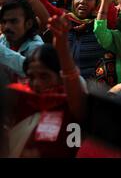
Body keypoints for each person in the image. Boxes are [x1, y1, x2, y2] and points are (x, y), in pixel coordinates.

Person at [6, 13, 86, 157]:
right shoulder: (20, 99)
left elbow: (72, 80)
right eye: (31, 76)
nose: (36, 83)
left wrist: (62, 49)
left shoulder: (70, 103)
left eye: (45, 76)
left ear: (60, 77)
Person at [0, 0, 44, 77]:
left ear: (29, 24)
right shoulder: (3, 39)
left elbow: (32, 72)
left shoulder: (37, 47)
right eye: (3, 22)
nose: (6, 27)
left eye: (13, 21)